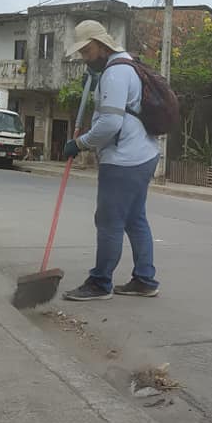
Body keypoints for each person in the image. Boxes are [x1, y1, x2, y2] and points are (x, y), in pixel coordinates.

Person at [60, 20, 161, 301]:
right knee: (134, 219)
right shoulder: (127, 65)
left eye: (87, 51)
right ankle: (144, 280)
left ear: (102, 45)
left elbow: (110, 124)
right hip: (144, 154)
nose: (85, 58)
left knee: (108, 221)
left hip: (124, 160)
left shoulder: (115, 73)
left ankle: (100, 283)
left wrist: (79, 144)